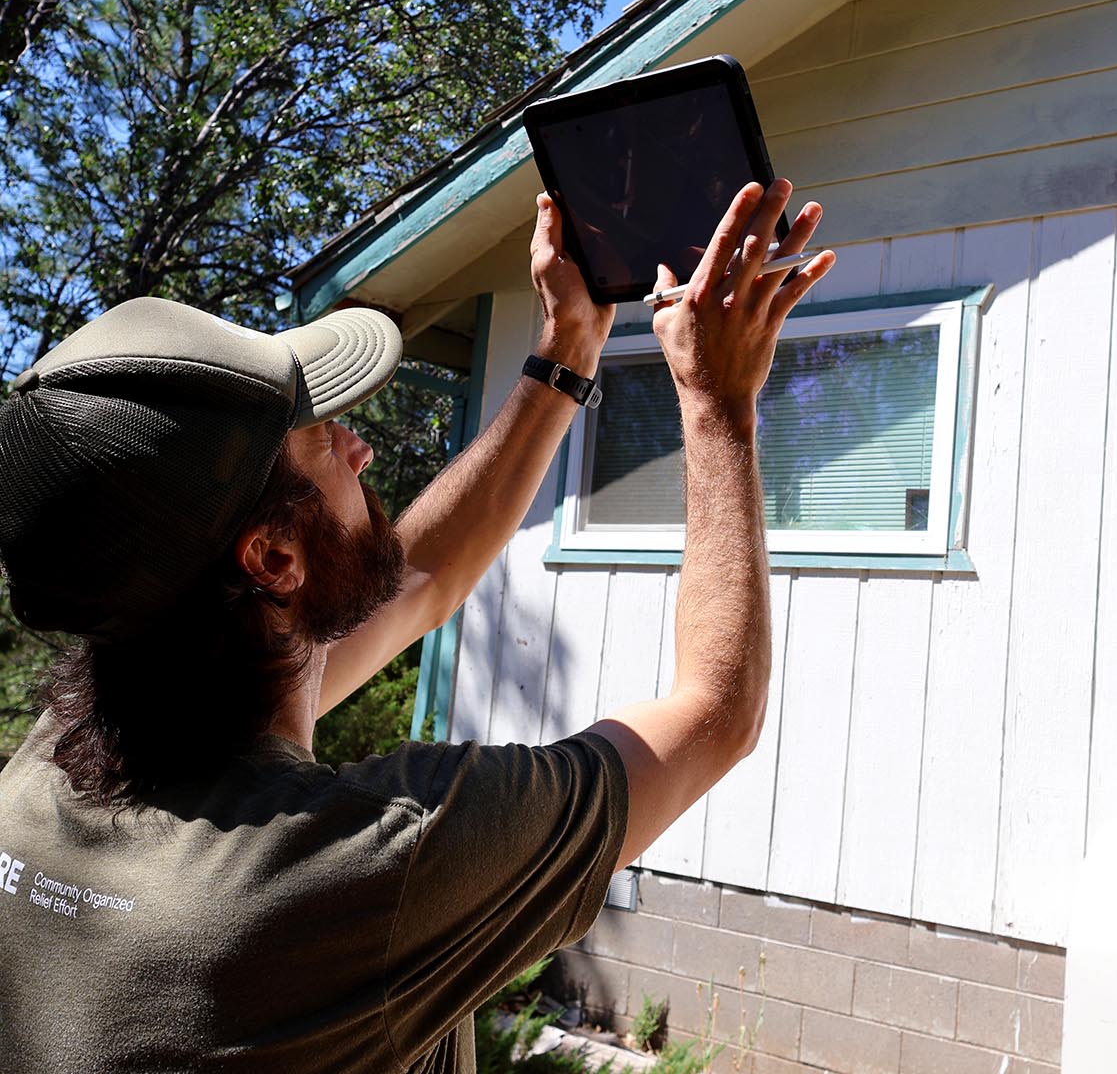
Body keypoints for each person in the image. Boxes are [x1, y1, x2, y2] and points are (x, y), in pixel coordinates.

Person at [0, 179, 833, 1072]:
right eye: (322, 435)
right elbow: (716, 710)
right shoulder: (357, 863)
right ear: (274, 559)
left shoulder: (47, 777)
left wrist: (567, 352)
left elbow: (421, 581)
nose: (359, 447)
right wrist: (717, 401)